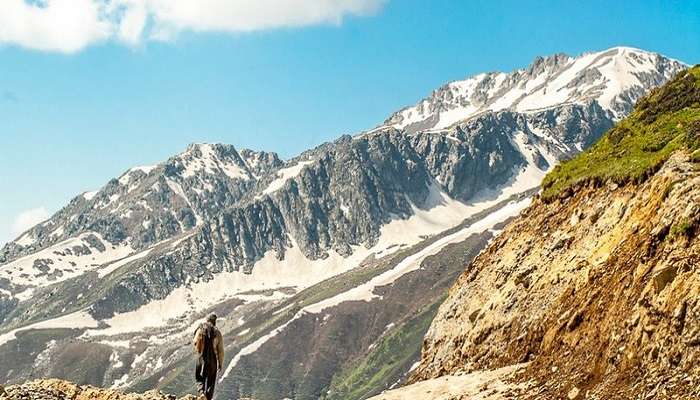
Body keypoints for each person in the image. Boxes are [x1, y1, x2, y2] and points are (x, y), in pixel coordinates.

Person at [193, 313, 225, 400]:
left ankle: (201, 393)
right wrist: (220, 363)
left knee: (199, 377)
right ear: (215, 321)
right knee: (211, 381)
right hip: (212, 361)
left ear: (207, 320)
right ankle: (208, 397)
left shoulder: (200, 329)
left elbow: (195, 342)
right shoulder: (217, 332)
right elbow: (221, 351)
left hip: (201, 358)